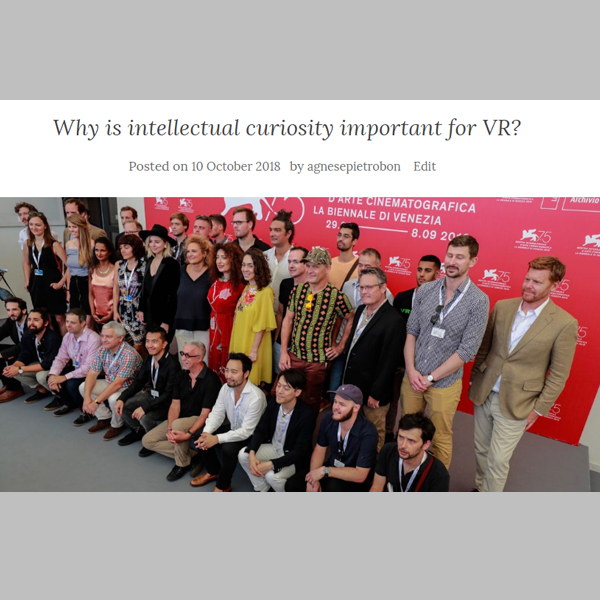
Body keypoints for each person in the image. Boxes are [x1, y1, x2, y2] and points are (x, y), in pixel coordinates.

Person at [469, 256, 578, 492]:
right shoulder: (502, 307)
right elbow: (484, 348)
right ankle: (479, 488)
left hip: (519, 403)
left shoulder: (564, 323)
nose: (528, 285)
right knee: (481, 450)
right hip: (485, 393)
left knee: (498, 460)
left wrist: (538, 410)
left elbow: (558, 374)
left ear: (555, 286)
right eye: (527, 279)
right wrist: (474, 379)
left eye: (537, 282)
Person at [401, 235, 489, 469]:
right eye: (449, 255)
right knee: (407, 433)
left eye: (460, 257)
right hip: (413, 377)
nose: (452, 261)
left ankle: (435, 483)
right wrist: (411, 370)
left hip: (444, 383)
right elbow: (411, 331)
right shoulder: (426, 290)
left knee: (439, 437)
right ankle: (405, 476)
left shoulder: (478, 301)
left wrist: (431, 378)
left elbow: (467, 350)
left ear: (472, 261)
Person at [279, 247, 354, 413]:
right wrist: (284, 351)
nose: (310, 270)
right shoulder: (297, 290)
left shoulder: (336, 296)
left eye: (316, 266)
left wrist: (340, 346)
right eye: (308, 265)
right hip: (294, 356)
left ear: (327, 268)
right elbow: (288, 320)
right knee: (284, 396)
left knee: (310, 402)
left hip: (317, 361)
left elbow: (350, 318)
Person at [343, 267, 406, 452]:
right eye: (361, 287)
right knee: (352, 430)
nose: (364, 291)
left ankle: (372, 468)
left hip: (373, 394)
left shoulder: (394, 320)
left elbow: (389, 362)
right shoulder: (360, 309)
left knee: (373, 434)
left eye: (369, 287)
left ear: (383, 288)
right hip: (353, 387)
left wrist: (376, 394)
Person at [141, 341, 222, 480]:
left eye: (188, 355)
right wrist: (170, 428)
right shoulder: (181, 376)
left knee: (178, 425)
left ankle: (181, 464)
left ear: (199, 358)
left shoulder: (211, 379)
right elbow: (175, 405)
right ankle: (193, 455)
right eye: (183, 354)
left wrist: (188, 434)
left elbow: (205, 413)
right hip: (180, 420)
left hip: (200, 419)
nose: (183, 358)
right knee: (147, 441)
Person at [191, 353, 267, 492]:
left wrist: (216, 439)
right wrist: (207, 434)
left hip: (252, 436)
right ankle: (213, 471)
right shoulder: (226, 388)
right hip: (234, 429)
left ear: (246, 374)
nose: (228, 375)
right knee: (199, 435)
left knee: (228, 449)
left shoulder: (256, 397)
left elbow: (246, 431)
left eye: (234, 372)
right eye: (227, 370)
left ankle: (223, 486)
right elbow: (217, 414)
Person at [285, 384, 377, 492]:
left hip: (353, 477)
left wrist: (325, 471)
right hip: (331, 467)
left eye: (342, 404)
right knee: (293, 484)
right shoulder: (328, 418)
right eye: (335, 401)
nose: (335, 407)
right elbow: (319, 450)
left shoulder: (368, 431)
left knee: (332, 488)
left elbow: (360, 475)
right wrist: (313, 479)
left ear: (356, 408)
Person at [331, 247, 394, 398]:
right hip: (341, 346)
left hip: (362, 354)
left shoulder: (387, 296)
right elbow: (339, 316)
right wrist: (335, 343)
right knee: (335, 388)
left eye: (368, 266)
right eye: (360, 265)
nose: (363, 269)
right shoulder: (348, 285)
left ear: (378, 268)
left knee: (354, 394)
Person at [239, 369, 315, 492]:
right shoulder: (274, 402)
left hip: (292, 456)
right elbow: (261, 429)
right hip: (274, 447)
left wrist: (271, 464)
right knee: (244, 455)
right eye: (279, 385)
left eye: (286, 388)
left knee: (272, 476)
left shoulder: (306, 414)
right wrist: (252, 452)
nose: (279, 391)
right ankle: (262, 488)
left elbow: (300, 452)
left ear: (297, 392)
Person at [115, 326, 181, 447]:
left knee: (145, 417)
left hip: (167, 403)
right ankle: (139, 431)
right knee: (124, 406)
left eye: (154, 341)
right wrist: (121, 398)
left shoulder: (173, 365)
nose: (149, 345)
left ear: (164, 344)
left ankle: (151, 441)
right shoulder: (148, 358)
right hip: (152, 396)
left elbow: (168, 395)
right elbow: (138, 382)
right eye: (147, 341)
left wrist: (145, 407)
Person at [78, 321, 142, 439]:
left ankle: (117, 425)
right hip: (110, 382)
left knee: (114, 399)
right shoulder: (102, 349)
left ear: (120, 338)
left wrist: (96, 402)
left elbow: (118, 384)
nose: (104, 339)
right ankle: (104, 418)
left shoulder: (129, 354)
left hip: (128, 387)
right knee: (83, 386)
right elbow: (92, 373)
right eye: (102, 336)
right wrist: (87, 398)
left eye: (108, 336)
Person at [229, 248, 276, 386]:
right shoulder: (247, 288)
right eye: (244, 265)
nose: (245, 269)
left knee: (250, 382)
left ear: (259, 268)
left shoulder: (265, 292)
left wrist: (254, 351)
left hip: (252, 344)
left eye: (250, 265)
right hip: (240, 339)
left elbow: (262, 324)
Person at [370, 413, 450, 492]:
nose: (403, 445)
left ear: (425, 444)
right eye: (401, 437)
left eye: (411, 441)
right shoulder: (388, 451)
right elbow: (377, 487)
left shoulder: (439, 474)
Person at [46, 308, 102, 416]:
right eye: (67, 321)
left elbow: (88, 368)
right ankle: (69, 404)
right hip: (78, 368)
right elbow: (61, 358)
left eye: (72, 322)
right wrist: (53, 375)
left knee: (71, 384)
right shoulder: (68, 336)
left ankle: (86, 412)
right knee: (50, 378)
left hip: (94, 373)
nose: (68, 325)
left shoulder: (94, 339)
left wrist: (64, 377)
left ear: (83, 323)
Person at [2, 307, 61, 404]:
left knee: (41, 376)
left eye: (36, 320)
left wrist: (19, 369)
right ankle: (43, 390)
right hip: (42, 363)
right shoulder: (28, 335)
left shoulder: (52, 338)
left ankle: (60, 396)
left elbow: (47, 364)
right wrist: (14, 367)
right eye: (29, 319)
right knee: (14, 372)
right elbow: (25, 354)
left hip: (55, 368)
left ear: (45, 323)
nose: (31, 323)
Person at [23, 211, 68, 336]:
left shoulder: (54, 244)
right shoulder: (28, 243)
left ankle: (65, 344)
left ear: (45, 226)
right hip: (36, 283)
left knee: (59, 318)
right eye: (31, 225)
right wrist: (27, 280)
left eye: (37, 225)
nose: (34, 228)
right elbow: (26, 263)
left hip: (52, 283)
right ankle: (50, 343)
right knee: (44, 318)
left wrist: (61, 283)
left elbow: (70, 266)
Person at [173, 235, 213, 367]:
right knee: (185, 365)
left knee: (203, 364)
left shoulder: (212, 273)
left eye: (194, 251)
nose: (190, 254)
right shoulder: (181, 271)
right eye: (188, 251)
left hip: (204, 327)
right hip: (182, 327)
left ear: (204, 253)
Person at [207, 243, 245, 382]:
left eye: (224, 257)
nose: (219, 261)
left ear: (233, 260)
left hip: (229, 327)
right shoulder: (216, 281)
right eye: (217, 257)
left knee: (227, 363)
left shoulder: (240, 285)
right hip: (214, 327)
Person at [138, 224, 180, 341]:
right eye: (151, 241)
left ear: (165, 243)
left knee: (162, 345)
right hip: (148, 314)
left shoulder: (172, 264)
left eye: (157, 242)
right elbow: (144, 288)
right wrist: (141, 309)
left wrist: (166, 321)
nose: (153, 245)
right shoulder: (149, 260)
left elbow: (173, 295)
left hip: (163, 316)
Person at [274, 246, 308, 374]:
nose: (291, 266)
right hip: (281, 345)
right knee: (278, 379)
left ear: (306, 264)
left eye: (296, 262)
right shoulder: (285, 284)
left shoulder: (314, 288)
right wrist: (276, 340)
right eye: (289, 262)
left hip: (301, 349)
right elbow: (280, 313)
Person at [114, 234, 147, 354]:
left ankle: (144, 365)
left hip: (138, 311)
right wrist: (115, 311)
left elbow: (147, 290)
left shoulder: (145, 264)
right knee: (124, 345)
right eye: (121, 248)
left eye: (126, 247)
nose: (123, 250)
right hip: (123, 310)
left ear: (135, 247)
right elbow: (116, 289)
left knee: (139, 346)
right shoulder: (119, 265)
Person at [65, 214, 94, 321]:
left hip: (87, 282)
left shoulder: (91, 244)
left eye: (74, 227)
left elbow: (93, 269)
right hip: (73, 283)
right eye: (69, 227)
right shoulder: (68, 244)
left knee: (88, 319)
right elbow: (69, 269)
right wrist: (68, 290)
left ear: (81, 227)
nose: (71, 230)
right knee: (75, 317)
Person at [394, 254, 441, 319]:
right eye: (419, 270)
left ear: (437, 274)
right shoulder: (401, 297)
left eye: (427, 271)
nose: (421, 274)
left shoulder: (441, 301)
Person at [263, 209, 293, 312]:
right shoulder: (263, 256)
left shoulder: (297, 259)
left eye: (277, 230)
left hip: (285, 315)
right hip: (263, 313)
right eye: (271, 230)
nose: (272, 234)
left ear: (288, 233)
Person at [0, 297, 28, 403]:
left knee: (10, 355)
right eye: (8, 310)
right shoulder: (11, 321)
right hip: (20, 349)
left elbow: (26, 344)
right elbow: (1, 332)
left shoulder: (31, 322)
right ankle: (7, 384)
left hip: (31, 351)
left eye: (14, 309)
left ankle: (15, 389)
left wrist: (4, 354)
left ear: (24, 310)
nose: (11, 313)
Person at [88, 237, 117, 329]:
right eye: (96, 250)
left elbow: (117, 294)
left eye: (102, 250)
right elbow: (91, 293)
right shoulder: (92, 269)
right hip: (97, 315)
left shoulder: (116, 269)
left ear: (110, 252)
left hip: (112, 314)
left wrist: (110, 314)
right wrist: (93, 313)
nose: (99, 253)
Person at [328, 222, 360, 290]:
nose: (340, 239)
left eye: (346, 236)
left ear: (354, 241)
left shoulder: (360, 267)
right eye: (339, 235)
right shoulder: (329, 263)